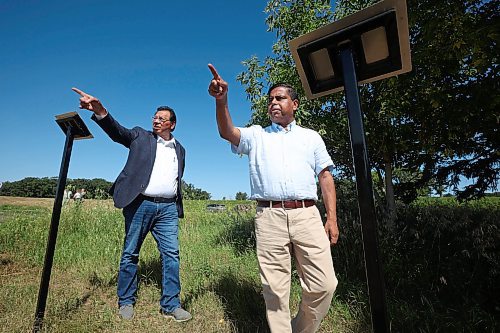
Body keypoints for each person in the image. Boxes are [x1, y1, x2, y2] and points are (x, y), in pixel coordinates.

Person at [207, 64, 339, 333]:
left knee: (325, 284)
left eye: (279, 98)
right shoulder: (257, 135)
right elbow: (227, 131)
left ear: (295, 104)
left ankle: (301, 328)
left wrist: (332, 218)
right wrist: (222, 100)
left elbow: (325, 177)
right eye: (270, 100)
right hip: (269, 217)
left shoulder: (311, 138)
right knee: (276, 291)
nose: (273, 103)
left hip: (307, 215)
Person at [72, 87, 191, 322]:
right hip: (140, 205)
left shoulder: (180, 149)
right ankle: (126, 301)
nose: (156, 121)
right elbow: (117, 132)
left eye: (161, 119)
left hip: (167, 209)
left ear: (172, 124)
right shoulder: (140, 136)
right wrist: (100, 111)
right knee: (130, 253)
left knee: (172, 256)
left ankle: (171, 304)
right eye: (155, 118)